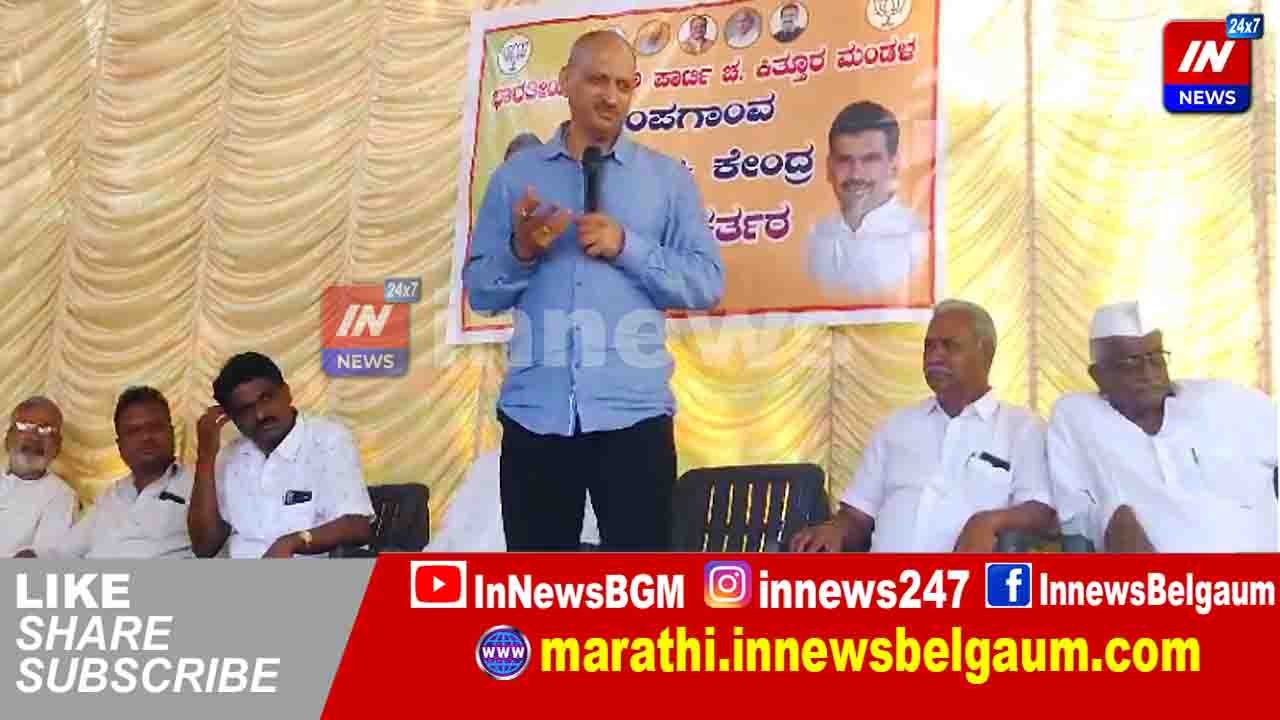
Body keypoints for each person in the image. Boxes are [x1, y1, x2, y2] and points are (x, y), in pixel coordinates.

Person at [462, 30, 724, 551]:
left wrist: (628, 245)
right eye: (598, 80)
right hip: (536, 417)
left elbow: (706, 283)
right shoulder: (516, 178)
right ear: (565, 81)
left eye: (624, 85)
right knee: (539, 589)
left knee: (641, 588)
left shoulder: (666, 180)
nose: (611, 96)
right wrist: (521, 251)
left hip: (634, 417)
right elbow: (481, 293)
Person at [790, 300, 1057, 552]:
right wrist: (835, 530)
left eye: (950, 346)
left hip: (967, 582)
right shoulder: (896, 426)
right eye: (929, 347)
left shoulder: (1021, 428)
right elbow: (857, 514)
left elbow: (1041, 509)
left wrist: (989, 522)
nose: (934, 357)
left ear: (985, 352)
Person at [1048, 301, 1278, 552]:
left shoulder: (1225, 401)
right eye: (1130, 363)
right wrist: (1111, 521)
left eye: (1156, 358)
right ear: (1098, 375)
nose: (1148, 373)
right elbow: (1074, 515)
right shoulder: (1079, 417)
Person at [189, 352, 374, 558]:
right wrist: (206, 455)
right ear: (231, 418)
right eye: (245, 409)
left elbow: (358, 526)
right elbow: (204, 547)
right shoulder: (229, 456)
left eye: (266, 398)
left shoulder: (327, 439)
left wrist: (295, 541)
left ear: (286, 393)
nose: (260, 414)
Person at [17, 387, 194, 559]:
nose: (146, 437)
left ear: (171, 433)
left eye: (155, 427)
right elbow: (64, 552)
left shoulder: (196, 488)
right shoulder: (111, 496)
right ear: (120, 445)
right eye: (134, 431)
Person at [805, 101, 927, 300]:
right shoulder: (815, 238)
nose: (856, 174)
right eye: (844, 160)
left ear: (894, 164)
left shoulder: (919, 240)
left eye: (870, 159)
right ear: (829, 167)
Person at [1, 396, 76, 556]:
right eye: (25, 426)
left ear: (57, 447)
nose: (34, 437)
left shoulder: (61, 495)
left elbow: (41, 557)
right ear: (8, 437)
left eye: (46, 430)